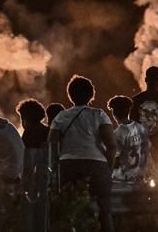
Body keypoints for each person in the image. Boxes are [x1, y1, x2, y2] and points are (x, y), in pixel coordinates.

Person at [49, 75, 115, 232]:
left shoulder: (61, 117)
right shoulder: (99, 115)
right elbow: (111, 145)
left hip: (68, 166)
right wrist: (108, 169)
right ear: (91, 95)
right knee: (104, 209)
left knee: (68, 209)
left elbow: (52, 144)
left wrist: (55, 167)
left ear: (70, 95)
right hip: (96, 165)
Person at [17, 99, 50, 231]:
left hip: (32, 181)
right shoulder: (48, 131)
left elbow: (25, 159)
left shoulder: (29, 133)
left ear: (25, 118)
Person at [108, 95, 150, 184]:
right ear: (128, 111)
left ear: (114, 113)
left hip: (122, 181)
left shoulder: (117, 134)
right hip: (139, 179)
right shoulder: (141, 129)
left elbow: (115, 160)